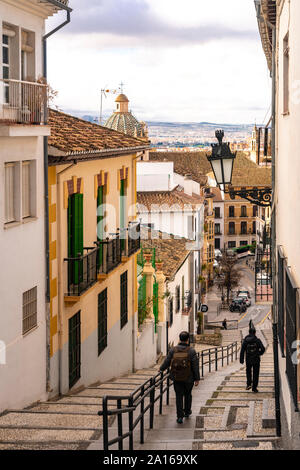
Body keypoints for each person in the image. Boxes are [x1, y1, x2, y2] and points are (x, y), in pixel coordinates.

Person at [160, 331, 200, 424]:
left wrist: (161, 369)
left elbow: (167, 361)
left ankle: (179, 417)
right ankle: (187, 411)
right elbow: (195, 366)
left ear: (179, 339)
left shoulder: (173, 350)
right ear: (188, 340)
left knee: (179, 396)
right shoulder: (191, 351)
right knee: (188, 394)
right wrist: (197, 379)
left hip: (176, 377)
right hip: (189, 378)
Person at [240, 327, 265, 393]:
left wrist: (241, 359)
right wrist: (259, 353)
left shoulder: (245, 341)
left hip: (248, 359)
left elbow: (242, 350)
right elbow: (263, 349)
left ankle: (248, 384)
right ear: (255, 332)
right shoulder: (257, 340)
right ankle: (254, 388)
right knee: (256, 373)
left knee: (248, 371)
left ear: (249, 332)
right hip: (256, 359)